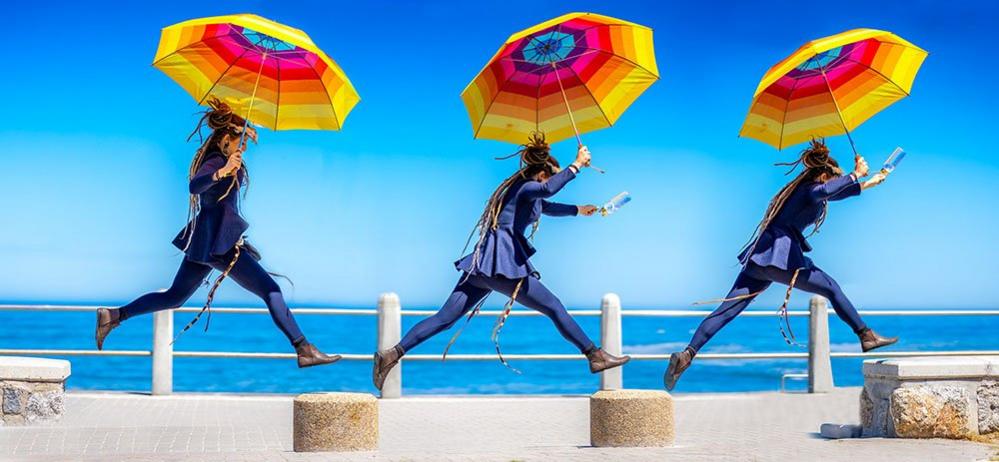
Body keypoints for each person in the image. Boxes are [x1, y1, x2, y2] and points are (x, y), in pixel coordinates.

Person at [372, 133, 629, 390]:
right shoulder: (526, 187)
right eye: (554, 175)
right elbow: (548, 189)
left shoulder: (529, 194)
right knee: (554, 307)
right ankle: (594, 356)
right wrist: (577, 165)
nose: (553, 181)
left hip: (483, 266)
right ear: (542, 174)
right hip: (502, 264)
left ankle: (391, 354)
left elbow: (548, 204)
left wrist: (578, 210)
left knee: (445, 318)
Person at [94, 98, 339, 368]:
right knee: (271, 290)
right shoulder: (215, 160)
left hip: (207, 241)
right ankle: (304, 349)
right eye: (241, 141)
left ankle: (115, 315)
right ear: (226, 138)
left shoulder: (228, 161)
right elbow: (194, 186)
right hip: (218, 245)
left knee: (175, 296)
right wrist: (222, 171)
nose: (244, 147)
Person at [664, 138, 897, 391]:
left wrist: (868, 182)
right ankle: (866, 335)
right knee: (831, 288)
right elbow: (825, 191)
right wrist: (854, 174)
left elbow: (833, 193)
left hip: (760, 259)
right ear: (823, 175)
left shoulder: (807, 192)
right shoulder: (811, 189)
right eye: (832, 178)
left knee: (727, 309)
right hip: (781, 257)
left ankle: (687, 355)